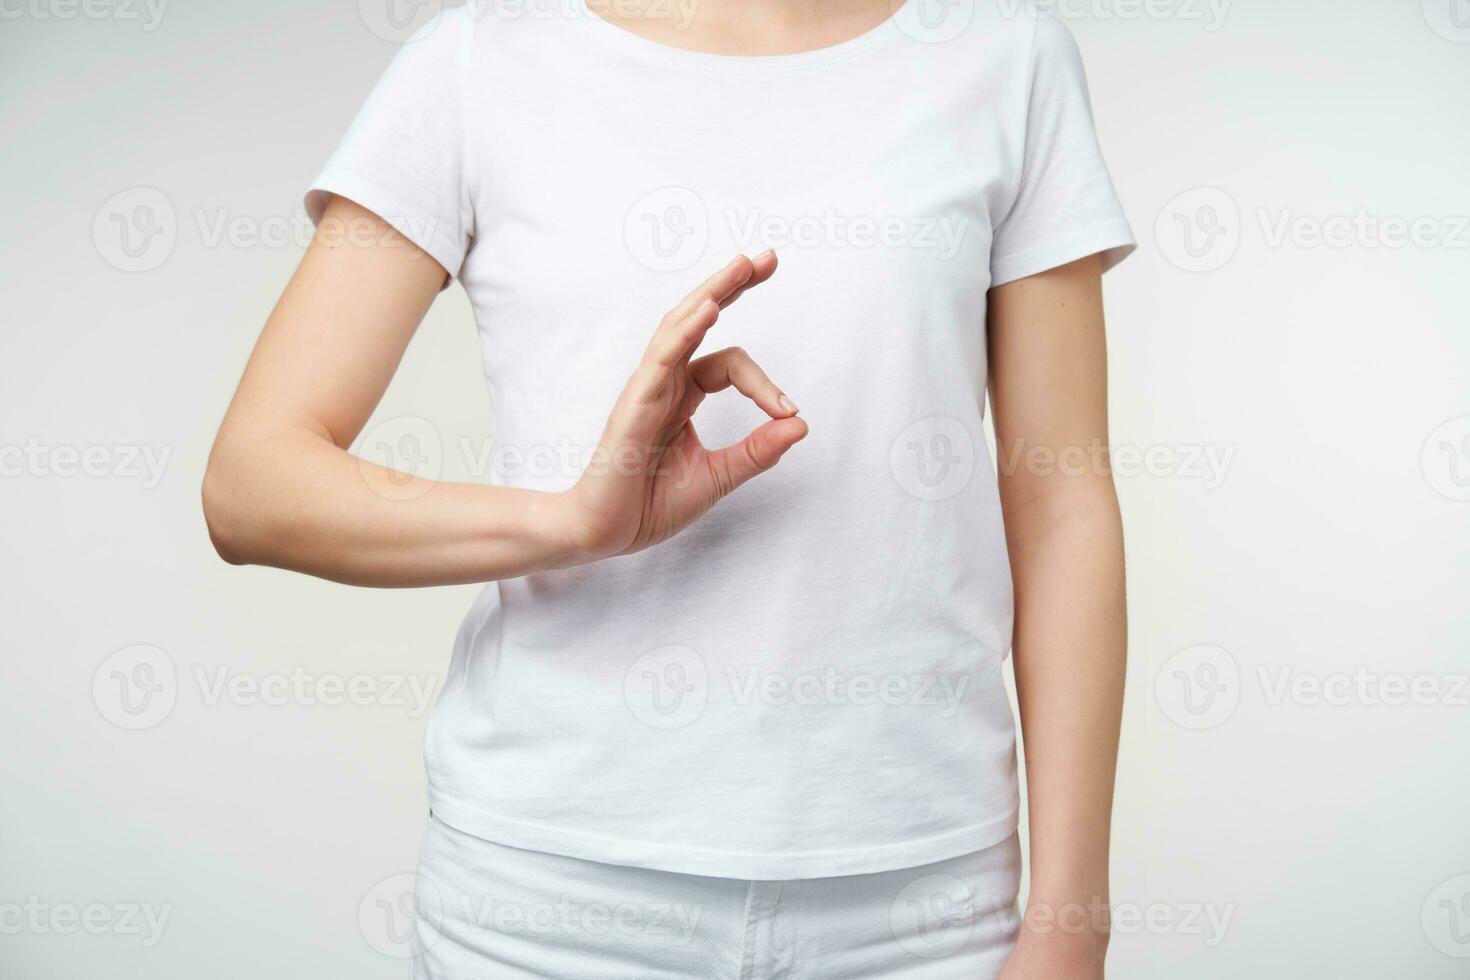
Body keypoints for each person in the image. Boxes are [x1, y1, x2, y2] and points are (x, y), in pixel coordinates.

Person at [203, 1, 1133, 976]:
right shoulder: (480, 59)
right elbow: (253, 484)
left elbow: (1061, 503)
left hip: (921, 912)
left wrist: (1072, 925)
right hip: (553, 908)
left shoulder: (1004, 55)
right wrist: (568, 522)